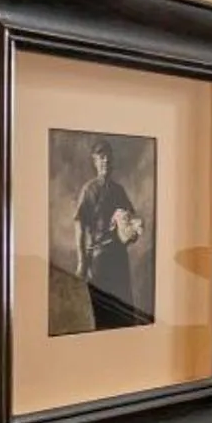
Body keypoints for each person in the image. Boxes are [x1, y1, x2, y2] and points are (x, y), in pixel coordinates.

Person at [73, 138, 148, 330]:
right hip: (98, 260)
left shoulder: (118, 190)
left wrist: (133, 230)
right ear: (95, 161)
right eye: (101, 157)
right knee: (101, 312)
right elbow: (79, 225)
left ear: (113, 162)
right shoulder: (89, 190)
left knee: (122, 312)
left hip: (118, 259)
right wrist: (82, 261)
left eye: (108, 157)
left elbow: (130, 220)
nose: (105, 161)